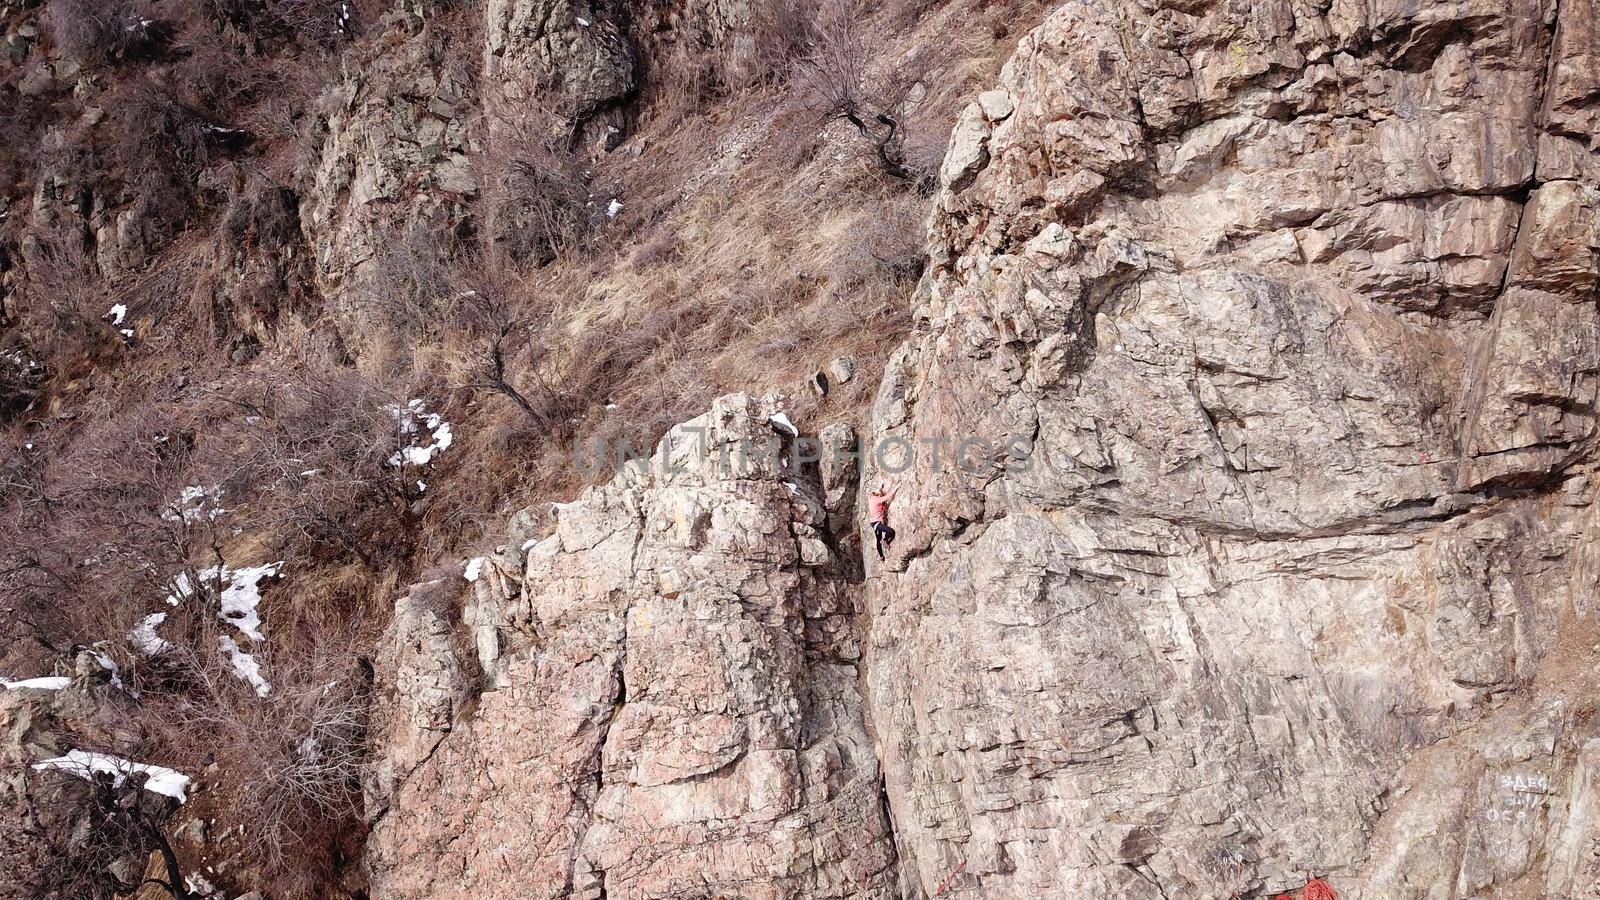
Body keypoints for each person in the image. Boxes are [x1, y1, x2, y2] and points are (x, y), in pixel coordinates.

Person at [867, 481, 898, 561]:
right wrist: (896, 488)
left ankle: (881, 556)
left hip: (874, 523)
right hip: (877, 523)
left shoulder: (871, 499)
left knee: (878, 539)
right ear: (878, 495)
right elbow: (888, 496)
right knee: (890, 531)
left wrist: (880, 487)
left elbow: (874, 493)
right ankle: (884, 541)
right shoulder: (877, 500)